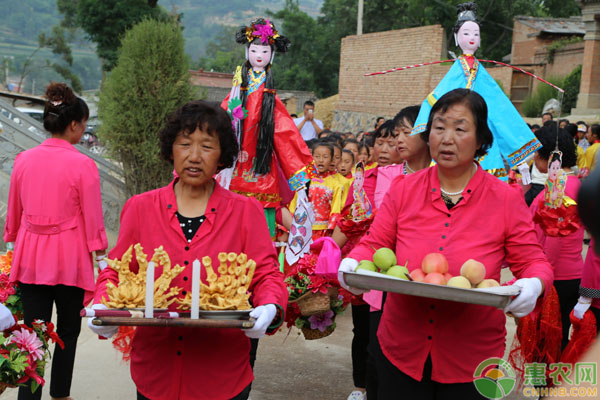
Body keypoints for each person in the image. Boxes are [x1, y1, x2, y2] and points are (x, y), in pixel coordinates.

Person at [339, 89, 553, 399]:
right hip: (401, 350)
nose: (446, 138)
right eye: (438, 127)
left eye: (460, 128)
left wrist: (533, 285)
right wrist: (352, 265)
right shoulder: (403, 189)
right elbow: (374, 244)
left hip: (472, 358)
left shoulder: (505, 198)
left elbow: (533, 261)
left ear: (481, 139)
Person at [88, 101, 287, 400]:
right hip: (156, 374)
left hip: (222, 376)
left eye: (207, 146)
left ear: (222, 156)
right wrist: (102, 309)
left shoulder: (246, 211)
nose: (194, 156)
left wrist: (270, 307)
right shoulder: (141, 208)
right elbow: (116, 271)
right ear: (171, 149)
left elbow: (267, 274)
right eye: (184, 144)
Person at [4, 82, 108, 400]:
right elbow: (92, 218)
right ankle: (61, 393)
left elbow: (15, 212)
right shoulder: (83, 165)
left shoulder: (24, 161)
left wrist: (11, 243)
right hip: (70, 259)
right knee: (68, 331)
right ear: (74, 124)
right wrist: (101, 256)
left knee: (32, 331)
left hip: (31, 255)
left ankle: (29, 395)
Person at [411, 2, 540, 181]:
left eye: (476, 34)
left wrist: (520, 159)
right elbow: (435, 100)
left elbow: (500, 110)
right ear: (457, 38)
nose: (471, 37)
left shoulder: (482, 75)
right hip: (456, 135)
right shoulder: (456, 72)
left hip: (482, 137)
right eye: (466, 33)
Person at [219, 18, 315, 239]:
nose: (259, 55)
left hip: (260, 163)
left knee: (261, 226)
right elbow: (222, 118)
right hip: (234, 162)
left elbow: (285, 133)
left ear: (271, 55)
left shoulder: (270, 96)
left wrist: (300, 174)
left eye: (264, 50)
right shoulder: (237, 88)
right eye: (254, 50)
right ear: (247, 52)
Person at [529, 127, 583, 349]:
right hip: (571, 274)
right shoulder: (576, 183)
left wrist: (542, 279)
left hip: (555, 277)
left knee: (547, 343)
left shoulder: (557, 188)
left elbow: (554, 237)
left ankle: (547, 384)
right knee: (557, 339)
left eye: (536, 151)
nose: (533, 157)